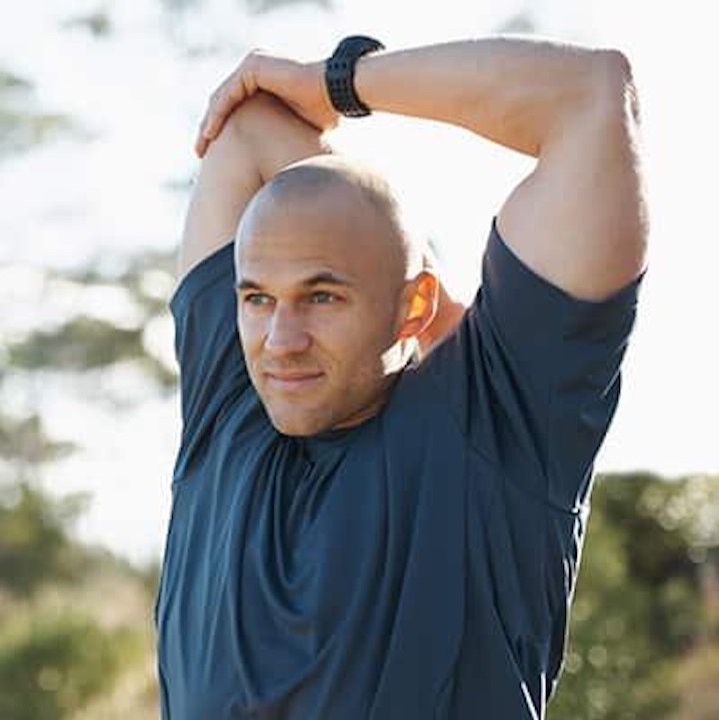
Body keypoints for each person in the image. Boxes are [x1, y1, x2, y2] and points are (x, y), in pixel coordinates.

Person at [155, 35, 647, 718]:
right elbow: (248, 131)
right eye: (258, 298)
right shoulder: (227, 411)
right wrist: (402, 273)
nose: (281, 341)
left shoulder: (497, 424)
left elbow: (590, 96)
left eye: (324, 295)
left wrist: (336, 83)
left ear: (412, 305)